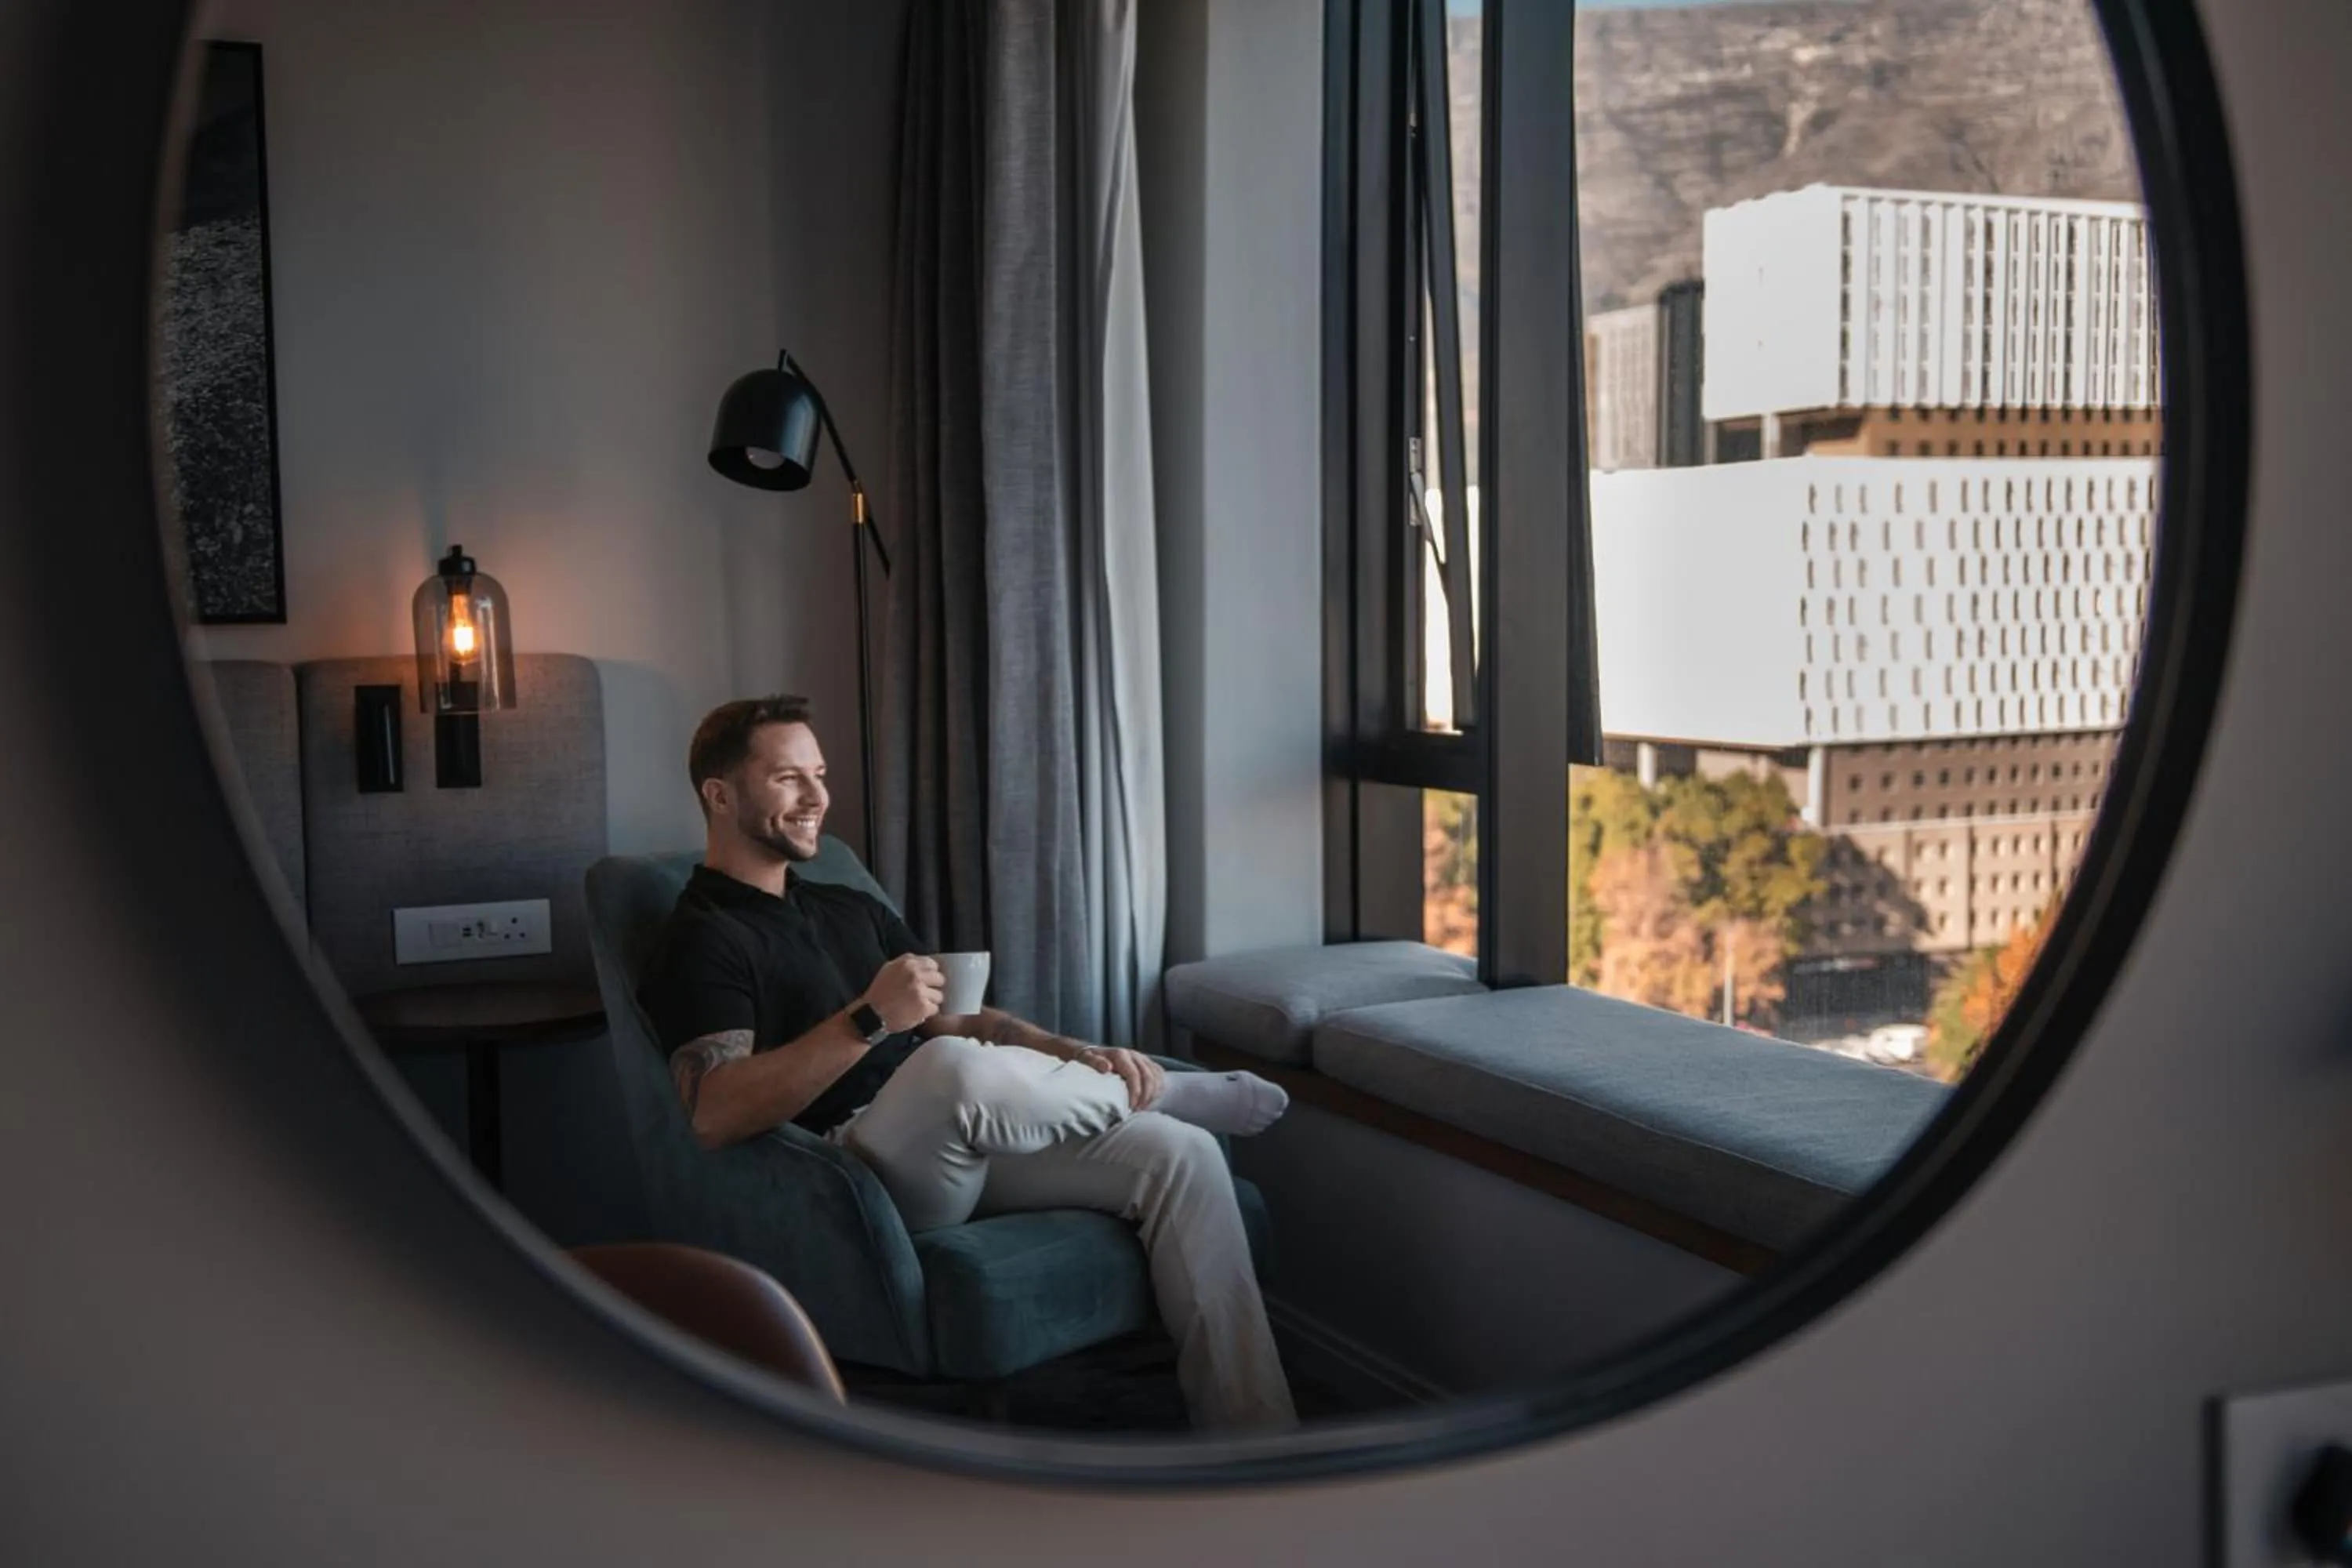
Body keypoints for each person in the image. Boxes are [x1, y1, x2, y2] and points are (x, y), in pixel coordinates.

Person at [637, 695, 1297, 1433]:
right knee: (949, 1066)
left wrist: (1075, 1052)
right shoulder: (703, 937)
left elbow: (965, 1016)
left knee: (1183, 1154)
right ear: (719, 795)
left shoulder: (846, 906)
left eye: (819, 774)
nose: (819, 797)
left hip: (960, 1141)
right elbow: (713, 1112)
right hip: (856, 1172)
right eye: (789, 778)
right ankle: (1160, 1090)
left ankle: (1256, 1438)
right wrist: (868, 1020)